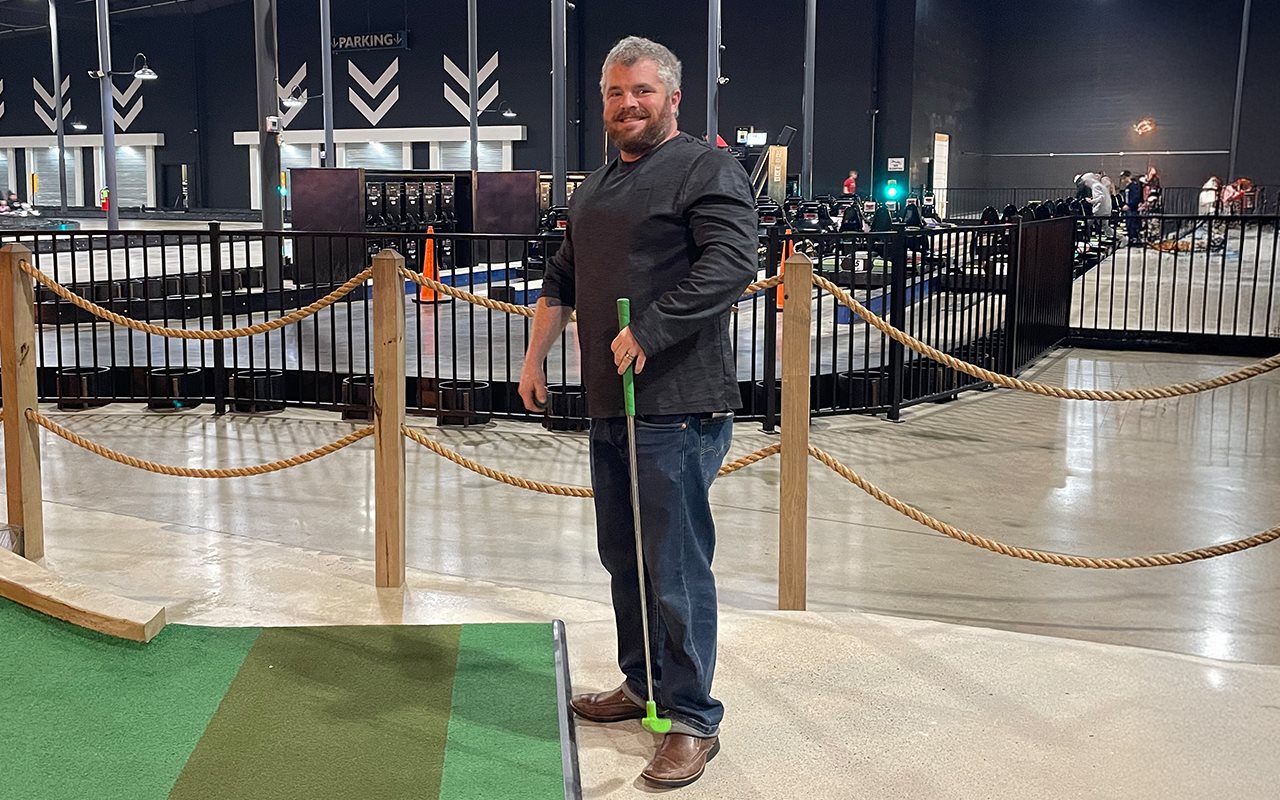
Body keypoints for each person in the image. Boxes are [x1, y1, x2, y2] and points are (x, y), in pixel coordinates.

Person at [517, 35, 756, 789]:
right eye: (616, 93)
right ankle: (642, 684)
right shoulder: (595, 186)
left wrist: (649, 328)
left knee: (675, 569)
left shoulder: (703, 167)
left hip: (677, 409)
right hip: (609, 408)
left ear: (673, 99)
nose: (628, 104)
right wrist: (534, 357)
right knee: (625, 557)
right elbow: (563, 276)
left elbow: (732, 262)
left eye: (643, 91)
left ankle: (692, 721)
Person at [1124, 171, 1143, 246]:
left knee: (1132, 224)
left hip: (1132, 209)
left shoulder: (1133, 186)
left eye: (1124, 178)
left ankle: (1134, 239)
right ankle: (1131, 238)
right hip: (1129, 208)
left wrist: (1129, 205)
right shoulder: (1128, 187)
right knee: (1129, 224)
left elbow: (1135, 197)